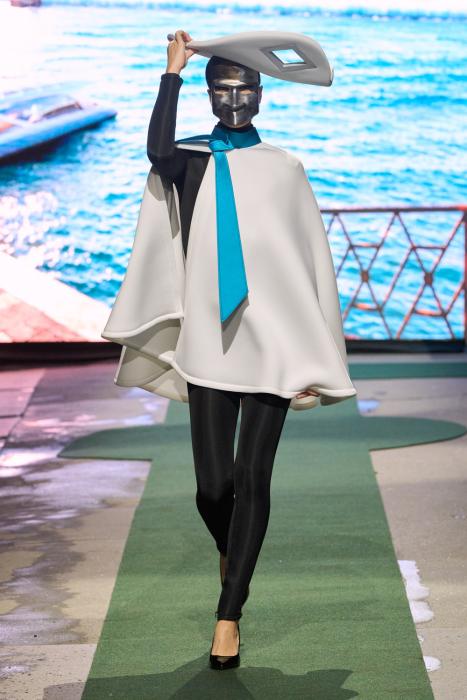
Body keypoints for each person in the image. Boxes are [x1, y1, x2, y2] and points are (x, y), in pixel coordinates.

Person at [140, 28, 356, 670]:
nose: (235, 100)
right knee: (213, 489)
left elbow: (310, 267)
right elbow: (156, 149)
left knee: (253, 478)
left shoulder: (285, 169)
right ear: (208, 95)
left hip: (275, 346)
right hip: (212, 341)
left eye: (245, 89)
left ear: (262, 94)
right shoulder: (190, 162)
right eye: (223, 90)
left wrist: (317, 355)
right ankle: (233, 553)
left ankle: (228, 616)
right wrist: (173, 73)